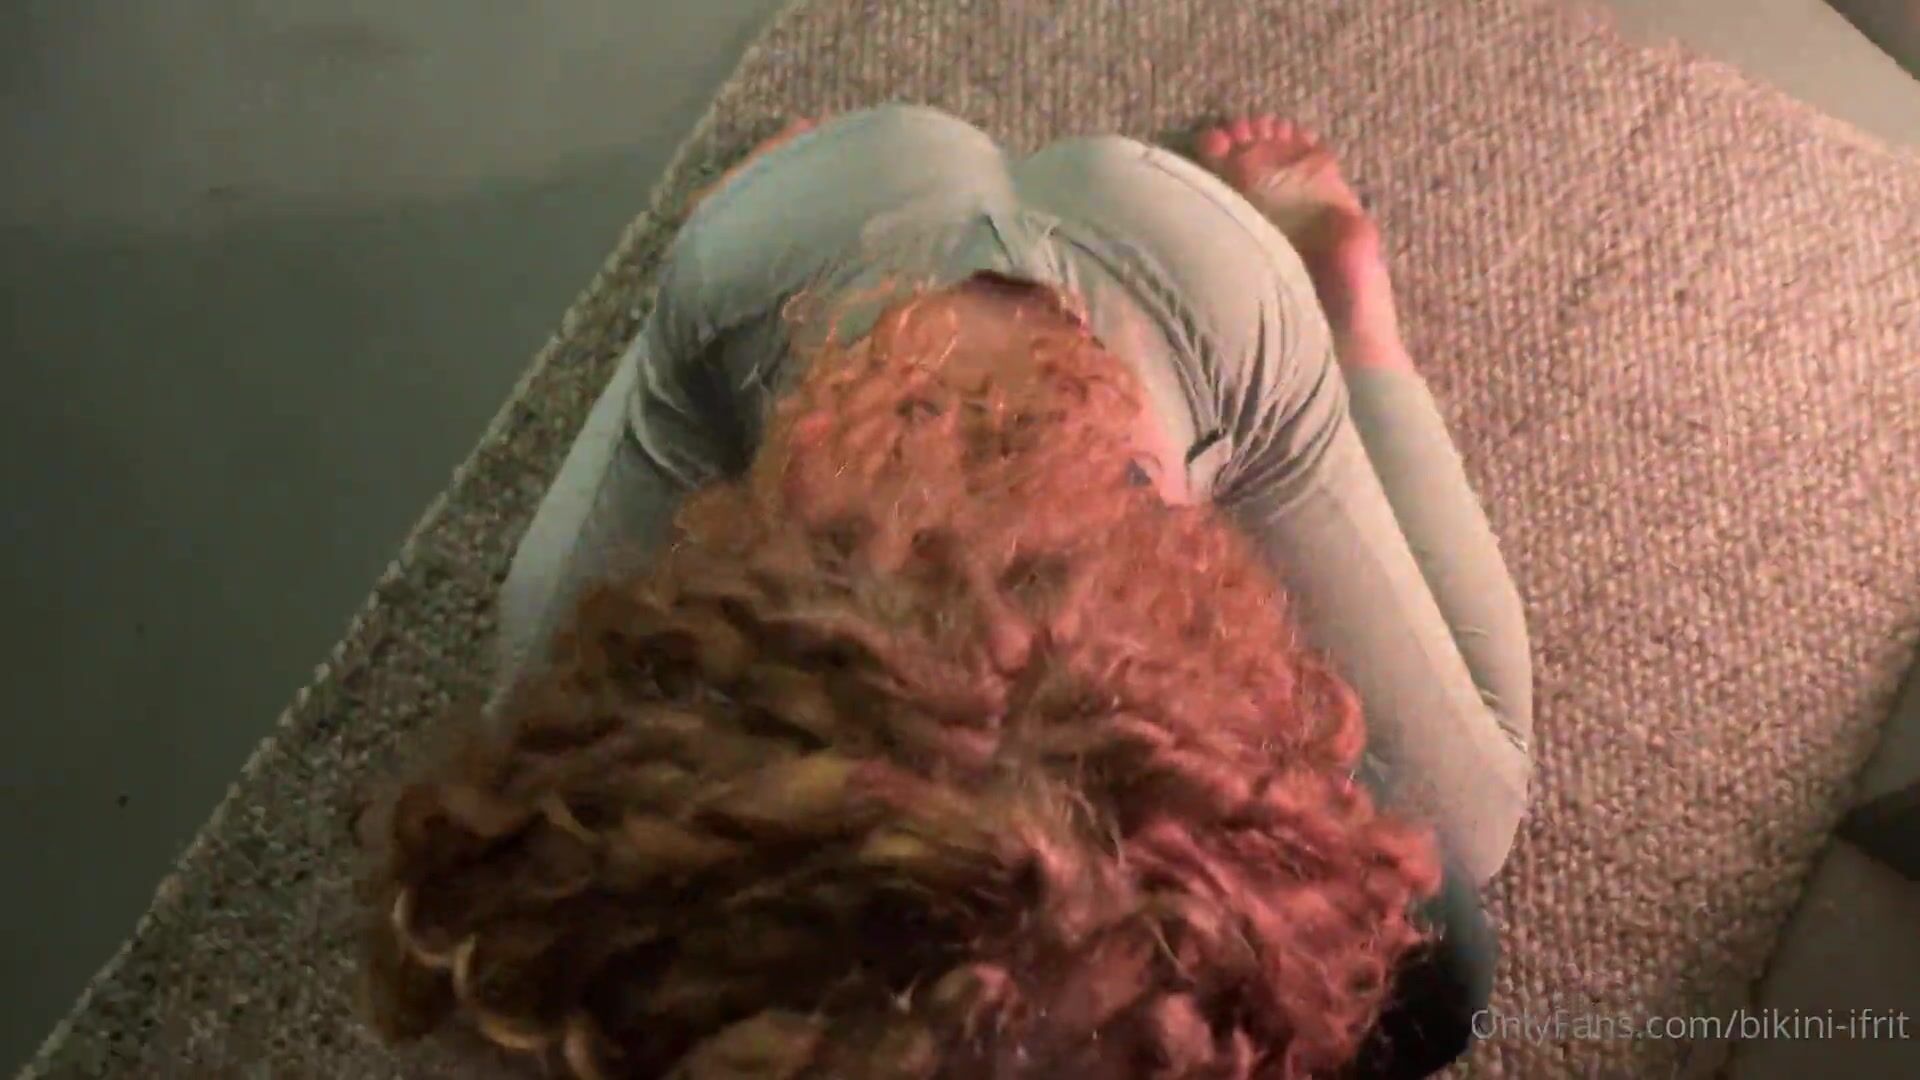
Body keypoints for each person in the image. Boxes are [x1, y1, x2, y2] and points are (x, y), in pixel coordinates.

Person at [357, 107, 1532, 1078]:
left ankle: (1350, 309)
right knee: (1443, 867)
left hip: (1133, 282)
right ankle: (764, 211)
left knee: (1460, 830)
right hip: (864, 249)